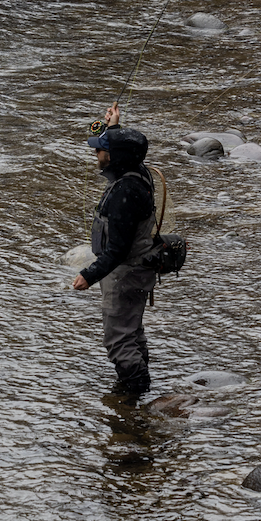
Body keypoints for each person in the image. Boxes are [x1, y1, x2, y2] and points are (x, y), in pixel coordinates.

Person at [72, 104, 158, 395]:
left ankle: (135, 396)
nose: (96, 155)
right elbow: (124, 148)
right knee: (131, 330)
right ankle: (142, 391)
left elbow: (118, 250)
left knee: (118, 339)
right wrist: (114, 127)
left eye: (100, 150)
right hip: (137, 271)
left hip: (125, 274)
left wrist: (89, 274)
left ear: (115, 158)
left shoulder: (125, 193)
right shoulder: (138, 172)